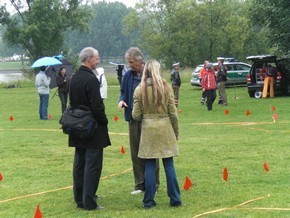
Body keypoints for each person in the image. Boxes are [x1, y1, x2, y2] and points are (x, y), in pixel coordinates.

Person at [132, 60, 182, 208]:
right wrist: (176, 132)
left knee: (149, 165)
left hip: (148, 131)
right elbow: (173, 113)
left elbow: (136, 115)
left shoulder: (139, 89)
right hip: (165, 128)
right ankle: (175, 199)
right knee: (169, 164)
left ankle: (149, 200)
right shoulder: (166, 87)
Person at [69, 47, 111, 210]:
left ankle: (79, 198)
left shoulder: (74, 78)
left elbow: (72, 102)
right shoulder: (91, 79)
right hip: (92, 128)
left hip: (77, 125)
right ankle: (89, 202)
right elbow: (97, 105)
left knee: (80, 164)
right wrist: (104, 121)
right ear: (88, 59)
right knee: (93, 165)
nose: (98, 61)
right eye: (96, 58)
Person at [118, 47, 160, 195]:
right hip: (133, 119)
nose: (129, 65)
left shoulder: (150, 75)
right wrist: (121, 101)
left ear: (139, 60)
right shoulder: (128, 75)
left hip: (149, 119)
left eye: (131, 62)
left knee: (151, 152)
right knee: (135, 153)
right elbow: (123, 92)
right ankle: (139, 184)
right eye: (129, 62)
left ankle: (153, 185)